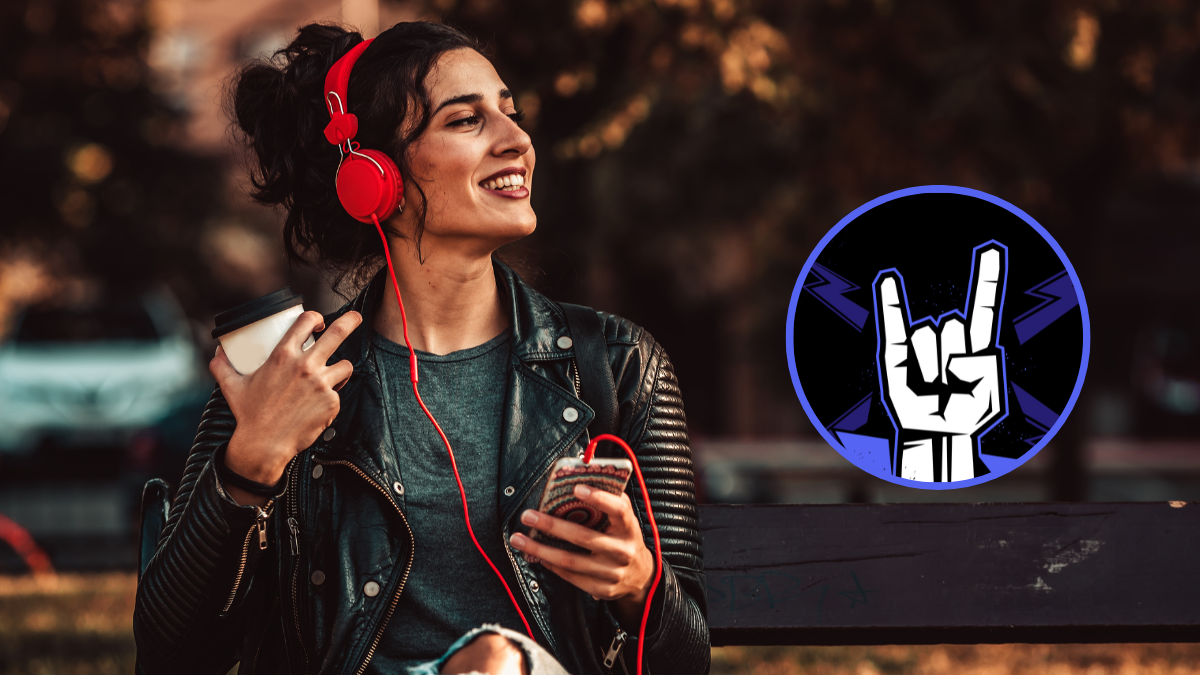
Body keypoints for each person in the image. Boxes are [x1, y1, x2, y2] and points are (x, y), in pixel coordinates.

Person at [133, 20, 709, 675]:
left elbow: (686, 660)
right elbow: (166, 653)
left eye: (510, 113)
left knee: (493, 662)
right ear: (375, 177)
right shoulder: (285, 382)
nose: (517, 140)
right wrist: (249, 464)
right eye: (466, 121)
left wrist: (639, 588)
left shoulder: (617, 365)